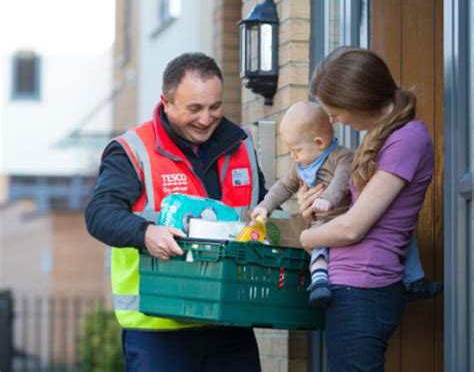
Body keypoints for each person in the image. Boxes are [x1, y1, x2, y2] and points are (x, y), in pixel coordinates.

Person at [85, 52, 266, 372]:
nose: (207, 119)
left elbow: (263, 214)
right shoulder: (132, 150)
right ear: (166, 103)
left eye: (215, 107)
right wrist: (145, 233)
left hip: (229, 324)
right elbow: (99, 213)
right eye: (194, 108)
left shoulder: (242, 146)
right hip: (159, 328)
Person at [298, 46, 441, 371]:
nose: (332, 120)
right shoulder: (382, 137)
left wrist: (306, 237)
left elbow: (353, 228)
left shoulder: (407, 139)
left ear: (359, 98)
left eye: (335, 111)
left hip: (363, 289)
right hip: (351, 287)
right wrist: (313, 207)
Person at [251, 101, 353, 306]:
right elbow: (283, 187)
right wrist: (265, 206)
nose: (292, 156)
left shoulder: (341, 158)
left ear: (319, 143)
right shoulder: (300, 166)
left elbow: (342, 181)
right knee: (318, 249)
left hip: (344, 217)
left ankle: (412, 278)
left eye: (296, 150)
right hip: (319, 223)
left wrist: (327, 199)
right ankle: (319, 283)